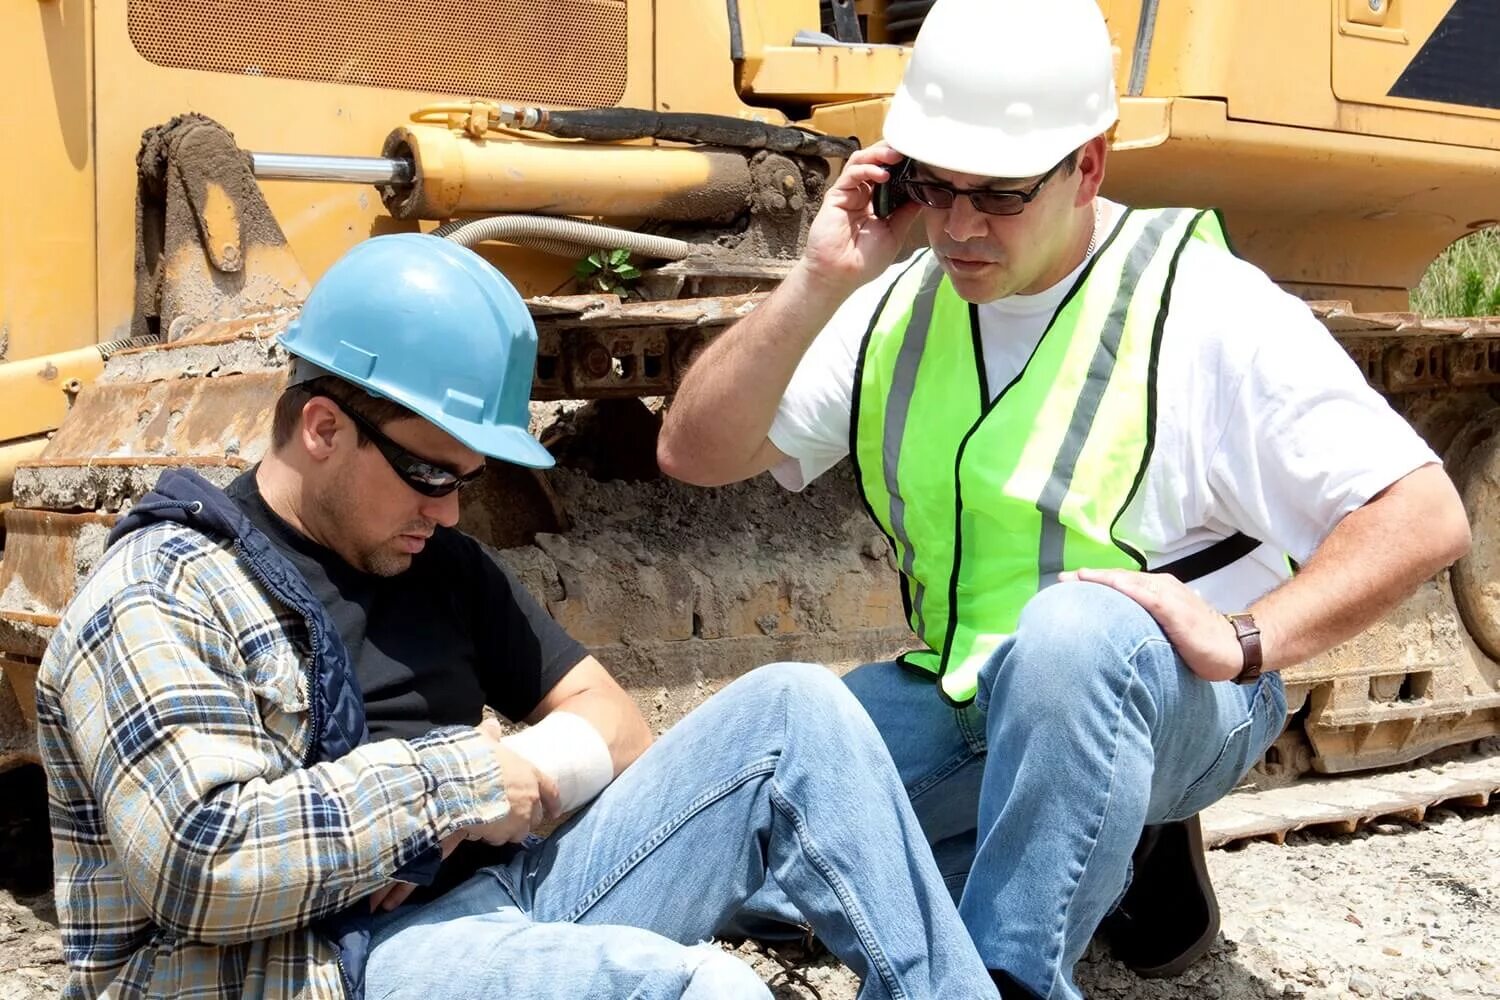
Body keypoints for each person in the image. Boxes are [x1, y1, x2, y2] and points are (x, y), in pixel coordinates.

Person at [655, 0, 1472, 996]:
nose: (957, 225)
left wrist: (1247, 638)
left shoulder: (1204, 304)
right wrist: (817, 281)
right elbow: (693, 453)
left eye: (997, 193)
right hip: (960, 691)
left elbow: (1425, 513)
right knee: (753, 845)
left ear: (1089, 163)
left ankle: (1010, 973)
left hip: (1160, 690)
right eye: (931, 185)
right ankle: (1111, 856)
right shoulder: (898, 301)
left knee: (1078, 637)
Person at [35, 233, 999, 1000]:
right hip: (335, 963)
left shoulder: (436, 564)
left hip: (510, 894)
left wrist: (525, 778)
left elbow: (616, 729)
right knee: (705, 988)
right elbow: (205, 866)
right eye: (428, 473)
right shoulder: (163, 592)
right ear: (324, 428)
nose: (450, 510)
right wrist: (456, 790)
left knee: (796, 710)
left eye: (466, 480)